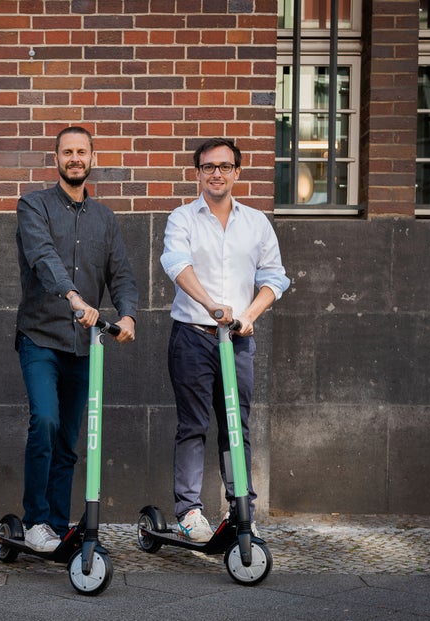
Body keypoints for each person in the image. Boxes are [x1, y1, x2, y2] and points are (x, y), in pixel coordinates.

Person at [15, 126, 139, 552]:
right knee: (45, 422)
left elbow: (121, 274)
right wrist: (73, 296)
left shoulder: (105, 218)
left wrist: (127, 315)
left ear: (91, 158)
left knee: (68, 436)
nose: (74, 158)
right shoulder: (33, 205)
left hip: (85, 345)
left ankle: (54, 521)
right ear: (56, 159)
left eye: (81, 152)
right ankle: (34, 522)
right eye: (67, 152)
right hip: (40, 338)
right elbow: (42, 257)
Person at [160, 137, 289, 542]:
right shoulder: (182, 218)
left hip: (237, 340)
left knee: (237, 426)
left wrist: (248, 315)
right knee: (193, 424)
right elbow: (175, 264)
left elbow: (274, 277)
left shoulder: (256, 223)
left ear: (237, 172)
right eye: (208, 167)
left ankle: (241, 508)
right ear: (197, 173)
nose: (216, 173)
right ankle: (189, 510)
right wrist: (213, 306)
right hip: (193, 336)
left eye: (224, 166)